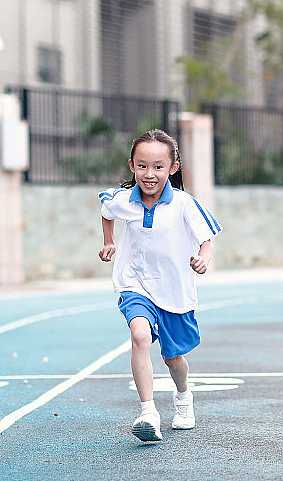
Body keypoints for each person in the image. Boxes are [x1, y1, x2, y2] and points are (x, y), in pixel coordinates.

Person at [98, 129, 222, 442]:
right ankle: (148, 412)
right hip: (135, 284)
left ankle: (183, 399)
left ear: (172, 168)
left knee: (173, 359)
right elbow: (106, 210)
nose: (149, 174)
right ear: (131, 166)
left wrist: (203, 259)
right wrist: (109, 242)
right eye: (142, 166)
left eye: (157, 167)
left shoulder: (184, 204)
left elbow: (206, 240)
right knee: (139, 335)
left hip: (175, 291)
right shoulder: (124, 200)